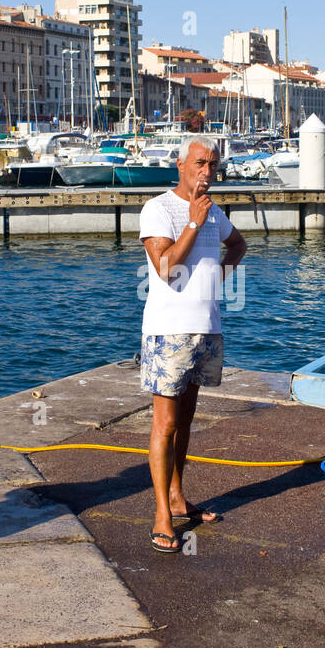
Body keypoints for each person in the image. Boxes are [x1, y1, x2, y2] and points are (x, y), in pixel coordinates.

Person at [139, 136, 248, 554]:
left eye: (213, 165)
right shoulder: (158, 209)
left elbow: (239, 245)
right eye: (201, 163)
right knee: (164, 425)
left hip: (206, 328)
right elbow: (166, 268)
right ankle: (161, 515)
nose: (208, 172)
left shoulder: (213, 210)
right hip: (169, 331)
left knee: (185, 424)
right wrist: (193, 224)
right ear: (181, 165)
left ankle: (178, 498)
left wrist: (219, 276)